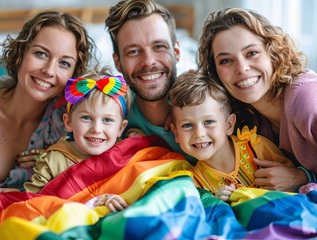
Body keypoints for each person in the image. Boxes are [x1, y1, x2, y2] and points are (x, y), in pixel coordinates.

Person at [0, 10, 94, 191]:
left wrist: (57, 159)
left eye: (64, 63)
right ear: (20, 52)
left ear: (73, 75)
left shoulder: (67, 127)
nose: (49, 70)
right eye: (41, 54)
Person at [197, 8, 317, 192]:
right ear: (215, 73)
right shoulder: (245, 120)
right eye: (226, 61)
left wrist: (303, 178)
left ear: (272, 52)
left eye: (252, 53)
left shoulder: (306, 99)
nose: (242, 68)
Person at [169, 70, 295, 201]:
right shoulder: (193, 182)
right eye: (187, 125)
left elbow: (291, 181)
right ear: (176, 133)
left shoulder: (257, 146)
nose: (199, 134)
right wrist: (218, 201)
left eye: (209, 122)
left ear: (229, 125)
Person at [105, 0, 194, 163]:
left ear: (176, 52)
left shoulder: (210, 101)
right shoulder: (109, 115)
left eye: (159, 46)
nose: (148, 61)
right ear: (117, 62)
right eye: (133, 51)